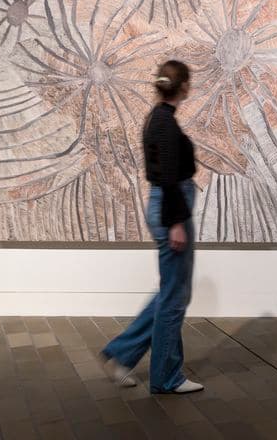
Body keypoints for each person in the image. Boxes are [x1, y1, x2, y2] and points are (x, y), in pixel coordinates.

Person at [99, 60, 203, 394]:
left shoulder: (161, 119)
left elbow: (166, 174)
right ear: (183, 86)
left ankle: (121, 353)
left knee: (172, 293)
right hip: (171, 210)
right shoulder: (164, 124)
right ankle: (166, 377)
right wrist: (175, 223)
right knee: (174, 298)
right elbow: (167, 177)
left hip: (169, 206)